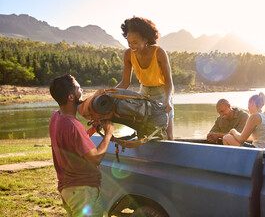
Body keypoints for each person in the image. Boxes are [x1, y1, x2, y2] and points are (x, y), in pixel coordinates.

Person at [49, 74, 114, 217]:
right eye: (79, 89)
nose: (82, 91)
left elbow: (72, 142)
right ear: (71, 97)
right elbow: (95, 158)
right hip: (82, 192)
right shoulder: (74, 125)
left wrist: (92, 130)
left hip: (68, 189)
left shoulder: (56, 117)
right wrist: (108, 133)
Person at [116, 17, 174, 140]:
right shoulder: (128, 54)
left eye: (135, 42)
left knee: (168, 135)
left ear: (145, 39)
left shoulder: (159, 53)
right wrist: (109, 92)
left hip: (163, 93)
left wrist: (167, 100)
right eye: (129, 42)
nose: (131, 46)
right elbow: (125, 82)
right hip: (144, 92)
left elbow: (169, 82)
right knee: (143, 134)